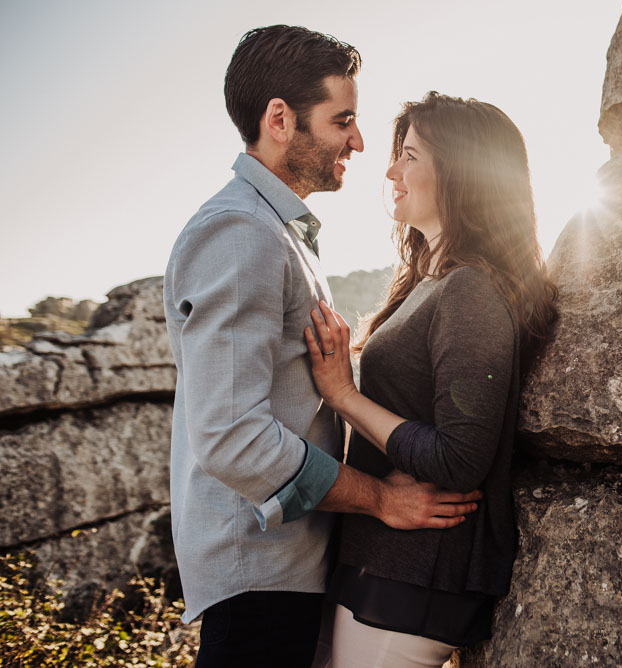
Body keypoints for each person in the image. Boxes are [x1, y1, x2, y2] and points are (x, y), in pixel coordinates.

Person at [163, 28, 481, 668]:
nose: (360, 142)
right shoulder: (240, 232)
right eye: (344, 120)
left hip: (285, 571)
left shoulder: (275, 230)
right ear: (279, 119)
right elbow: (230, 436)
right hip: (257, 579)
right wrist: (380, 498)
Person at [304, 91, 558, 667]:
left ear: (462, 172)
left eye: (411, 156)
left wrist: (342, 395)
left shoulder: (471, 289)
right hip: (385, 564)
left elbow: (461, 456)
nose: (391, 171)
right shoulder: (428, 283)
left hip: (416, 576)